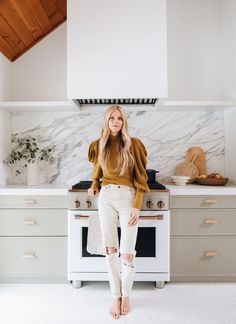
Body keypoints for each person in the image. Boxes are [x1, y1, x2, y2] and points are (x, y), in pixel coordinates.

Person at [87, 105, 149, 319]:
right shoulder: (99, 145)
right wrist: (94, 184)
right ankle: (116, 297)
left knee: (128, 252)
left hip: (128, 197)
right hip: (106, 197)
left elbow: (142, 178)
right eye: (112, 118)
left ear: (124, 122)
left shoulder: (134, 145)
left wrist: (136, 206)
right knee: (110, 250)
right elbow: (97, 168)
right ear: (106, 121)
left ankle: (127, 294)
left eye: (119, 118)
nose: (115, 121)